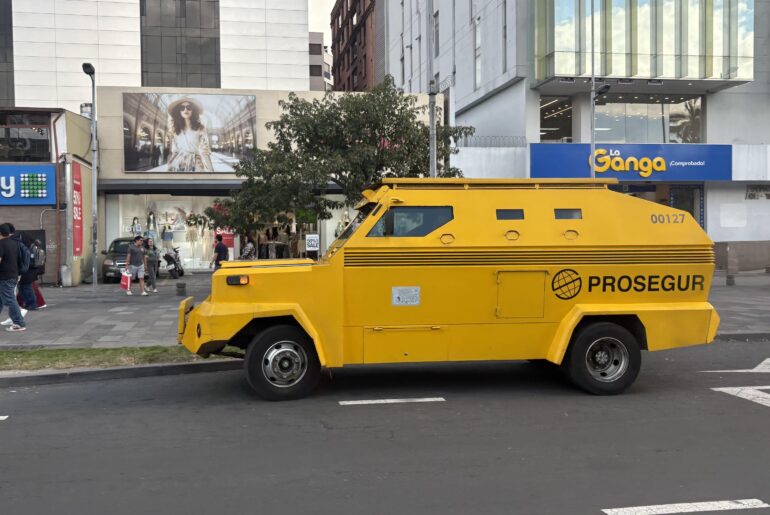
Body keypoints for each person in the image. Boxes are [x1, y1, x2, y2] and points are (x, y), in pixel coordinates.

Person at [165, 97, 215, 173]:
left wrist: (211, 171)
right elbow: (175, 151)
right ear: (178, 111)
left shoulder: (200, 128)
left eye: (189, 107)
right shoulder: (175, 130)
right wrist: (169, 164)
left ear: (193, 110)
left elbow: (205, 151)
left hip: (196, 164)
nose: (185, 110)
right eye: (182, 108)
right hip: (177, 164)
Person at [0, 224, 26, 332]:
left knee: (9, 299)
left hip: (5, 277)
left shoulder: (1, 244)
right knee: (1, 299)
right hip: (13, 275)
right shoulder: (14, 243)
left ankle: (19, 323)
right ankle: (18, 322)